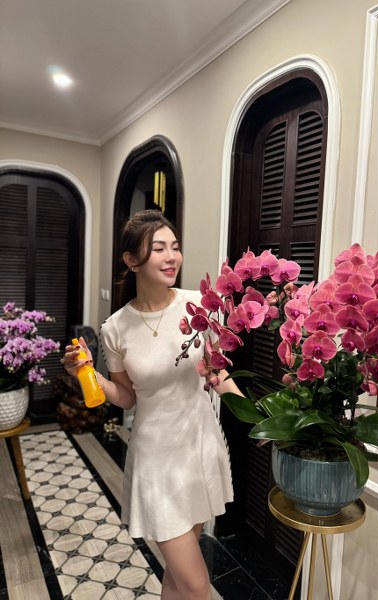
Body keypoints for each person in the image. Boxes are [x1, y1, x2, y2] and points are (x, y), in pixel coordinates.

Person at [62, 209, 241, 600]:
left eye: (174, 247)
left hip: (199, 449)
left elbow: (217, 372)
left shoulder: (200, 306)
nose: (171, 256)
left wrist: (257, 417)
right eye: (159, 248)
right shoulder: (115, 328)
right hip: (156, 461)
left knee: (177, 580)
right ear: (132, 260)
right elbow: (127, 396)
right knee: (197, 585)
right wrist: (87, 375)